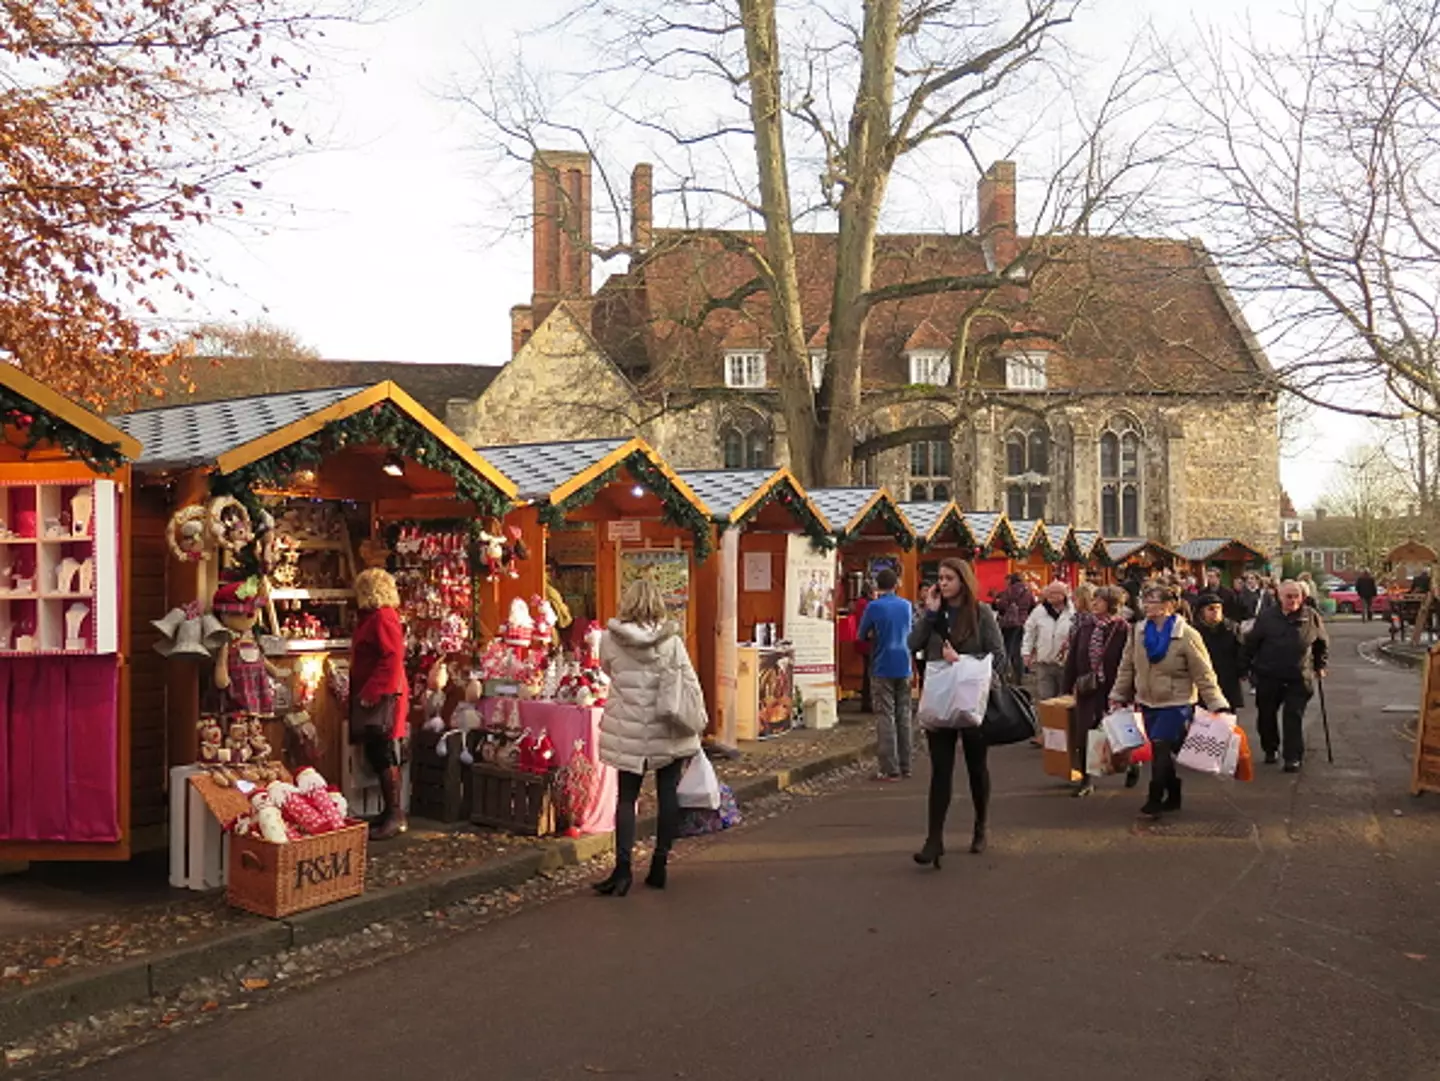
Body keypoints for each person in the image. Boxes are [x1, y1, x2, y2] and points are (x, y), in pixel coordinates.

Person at [593, 578, 705, 896]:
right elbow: (688, 682)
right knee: (667, 793)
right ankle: (659, 864)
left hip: (627, 726)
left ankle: (623, 869)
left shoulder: (609, 640)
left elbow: (608, 672)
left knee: (626, 798)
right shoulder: (671, 642)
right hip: (666, 727)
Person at [908, 558, 1007, 867]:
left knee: (977, 767)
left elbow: (1000, 657)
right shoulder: (935, 614)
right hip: (940, 699)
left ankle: (981, 824)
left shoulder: (982, 614)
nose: (944, 583)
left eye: (949, 577)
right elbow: (912, 644)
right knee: (940, 770)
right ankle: (933, 839)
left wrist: (961, 661)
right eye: (941, 578)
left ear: (963, 581)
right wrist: (930, 613)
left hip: (972, 700)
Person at [1110, 582, 1231, 818]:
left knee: (1160, 745)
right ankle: (1173, 789)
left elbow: (1203, 672)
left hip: (1176, 702)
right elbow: (1127, 666)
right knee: (1162, 749)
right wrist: (1118, 694)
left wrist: (1217, 703)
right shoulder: (1138, 632)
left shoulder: (1187, 635)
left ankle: (1154, 797)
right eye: (1146, 601)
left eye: (1154, 601)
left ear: (1169, 605)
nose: (1148, 606)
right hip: (1147, 701)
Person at [1242, 580, 1329, 772]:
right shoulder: (1266, 617)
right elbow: (1251, 644)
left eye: (1296, 596)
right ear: (1279, 597)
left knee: (1293, 716)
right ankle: (1270, 748)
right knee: (1266, 715)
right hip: (1269, 675)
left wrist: (1320, 664)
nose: (1293, 600)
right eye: (1288, 596)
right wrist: (1245, 667)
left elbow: (1321, 643)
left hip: (1298, 676)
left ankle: (1293, 757)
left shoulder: (1311, 616)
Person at [350, 569, 410, 840]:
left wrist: (372, 691)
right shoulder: (375, 617)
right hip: (378, 695)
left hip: (383, 698)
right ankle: (390, 811)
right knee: (379, 751)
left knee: (384, 752)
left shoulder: (383, 618)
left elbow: (392, 657)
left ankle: (396, 814)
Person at [1063, 585, 1136, 797]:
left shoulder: (1124, 629)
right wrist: (1067, 686)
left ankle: (1131, 764)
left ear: (1112, 605)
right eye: (1094, 600)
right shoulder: (1085, 627)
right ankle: (1086, 779)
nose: (1094, 604)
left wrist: (1130, 689)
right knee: (1085, 733)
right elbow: (1073, 659)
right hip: (1088, 688)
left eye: (1100, 601)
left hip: (1115, 689)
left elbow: (1131, 662)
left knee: (1117, 733)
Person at [856, 567, 915, 781]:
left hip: (882, 664)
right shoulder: (907, 606)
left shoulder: (873, 607)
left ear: (877, 586)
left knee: (885, 715)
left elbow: (861, 634)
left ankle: (889, 768)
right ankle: (906, 764)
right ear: (896, 584)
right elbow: (914, 631)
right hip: (904, 663)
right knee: (904, 714)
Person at [1022, 581, 1074, 702]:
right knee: (1045, 698)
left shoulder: (1072, 612)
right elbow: (1029, 632)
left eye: (1055, 593)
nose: (1050, 596)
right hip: (1044, 661)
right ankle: (1048, 720)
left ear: (1064, 595)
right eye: (1049, 593)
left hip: (1065, 663)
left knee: (1064, 698)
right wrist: (1026, 652)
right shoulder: (1039, 611)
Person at [1194, 592, 1246, 710]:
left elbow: (1241, 650)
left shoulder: (1231, 628)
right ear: (1202, 612)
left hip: (1228, 678)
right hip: (1203, 680)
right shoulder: (1195, 631)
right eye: (1211, 609)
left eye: (1218, 608)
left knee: (1227, 719)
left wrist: (1241, 670)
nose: (1215, 611)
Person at [996, 572, 1035, 681]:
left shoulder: (1008, 591)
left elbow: (1001, 606)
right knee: (1017, 650)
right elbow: (1033, 606)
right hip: (1022, 623)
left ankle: (1005, 674)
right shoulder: (1028, 592)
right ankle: (1019, 675)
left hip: (1009, 624)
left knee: (1006, 649)